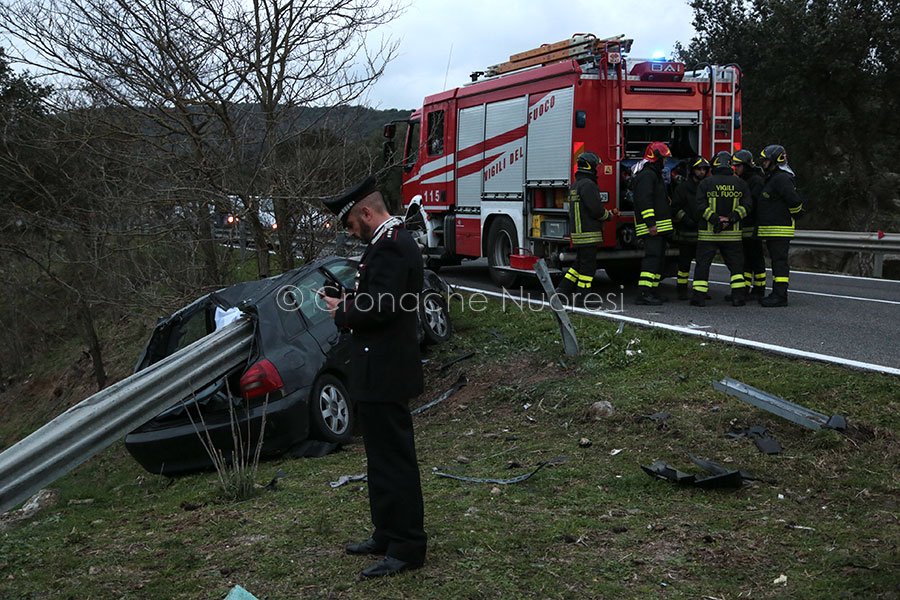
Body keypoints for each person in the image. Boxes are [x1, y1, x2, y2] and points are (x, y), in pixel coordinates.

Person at [321, 175, 427, 578]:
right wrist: (348, 301)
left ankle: (407, 545)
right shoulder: (386, 244)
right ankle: (386, 532)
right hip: (375, 369)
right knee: (380, 459)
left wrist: (342, 312)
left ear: (366, 212)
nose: (352, 232)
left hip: (387, 370)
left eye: (351, 224)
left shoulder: (394, 246)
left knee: (395, 461)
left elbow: (383, 308)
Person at [555, 151, 618, 305]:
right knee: (588, 268)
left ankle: (561, 291)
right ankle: (583, 297)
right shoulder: (589, 185)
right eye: (596, 166)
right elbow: (596, 210)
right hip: (589, 233)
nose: (597, 168)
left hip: (579, 233)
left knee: (579, 264)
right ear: (590, 166)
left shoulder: (576, 184)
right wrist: (609, 215)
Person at [691, 151, 752, 307]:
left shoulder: (705, 183)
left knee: (703, 266)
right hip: (732, 236)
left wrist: (715, 219)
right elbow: (747, 206)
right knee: (736, 267)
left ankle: (699, 298)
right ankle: (738, 297)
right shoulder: (740, 184)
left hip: (708, 234)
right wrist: (730, 219)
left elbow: (699, 207)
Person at [756, 144, 804, 307]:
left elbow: (794, 201)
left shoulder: (781, 178)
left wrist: (795, 214)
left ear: (775, 160)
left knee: (779, 263)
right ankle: (777, 293)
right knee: (777, 262)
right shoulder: (773, 177)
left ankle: (780, 295)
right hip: (773, 228)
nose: (763, 163)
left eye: (766, 161)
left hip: (780, 228)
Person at [633, 141, 674, 305]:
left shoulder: (653, 175)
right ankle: (643, 293)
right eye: (664, 159)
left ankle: (653, 290)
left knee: (659, 260)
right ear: (655, 158)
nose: (665, 162)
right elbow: (645, 201)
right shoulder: (647, 176)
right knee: (652, 260)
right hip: (652, 228)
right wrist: (651, 224)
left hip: (660, 227)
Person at [670, 156, 710, 300]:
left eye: (704, 169)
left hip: (703, 232)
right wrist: (686, 219)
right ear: (692, 171)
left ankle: (701, 290)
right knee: (684, 264)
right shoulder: (682, 188)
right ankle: (681, 290)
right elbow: (675, 208)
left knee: (702, 264)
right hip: (686, 233)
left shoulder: (706, 187)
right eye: (699, 169)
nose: (702, 172)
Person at [732, 149, 767, 299]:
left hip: (753, 226)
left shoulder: (756, 181)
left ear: (745, 165)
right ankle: (745, 288)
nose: (736, 168)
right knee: (745, 260)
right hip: (744, 226)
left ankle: (759, 289)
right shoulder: (744, 180)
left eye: (738, 166)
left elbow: (752, 203)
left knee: (756, 258)